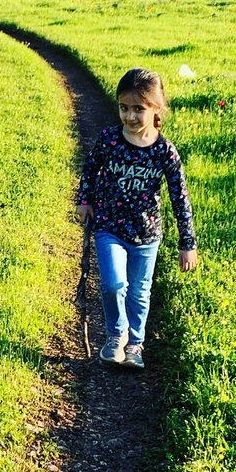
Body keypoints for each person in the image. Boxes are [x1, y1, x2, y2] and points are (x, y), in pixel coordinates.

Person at [76, 67, 197, 367]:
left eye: (138, 109)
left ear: (156, 109)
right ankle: (116, 337)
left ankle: (135, 345)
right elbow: (90, 169)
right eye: (124, 108)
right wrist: (85, 200)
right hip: (110, 227)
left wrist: (188, 243)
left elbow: (179, 198)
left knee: (140, 293)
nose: (129, 116)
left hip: (146, 235)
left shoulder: (165, 152)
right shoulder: (110, 140)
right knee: (114, 285)